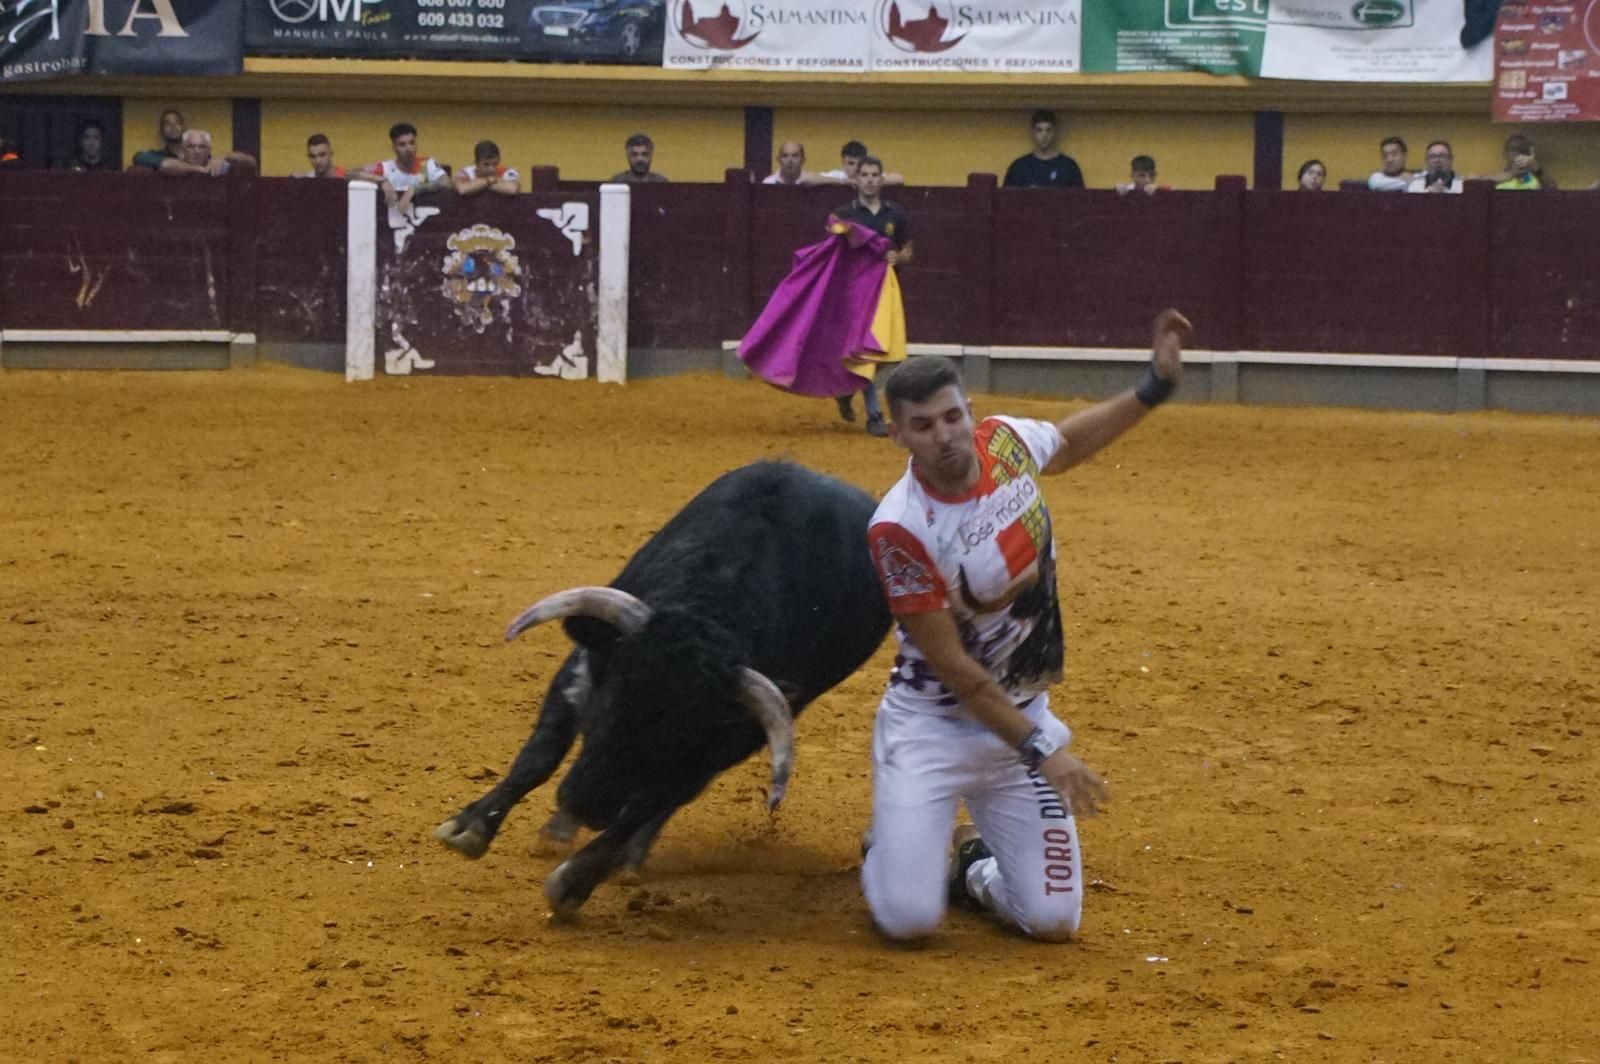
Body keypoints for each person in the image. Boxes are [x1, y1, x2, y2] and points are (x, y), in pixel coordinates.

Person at [860, 307, 1191, 943]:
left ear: (970, 411)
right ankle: (888, 847)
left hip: (1021, 717)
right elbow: (956, 668)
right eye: (923, 426)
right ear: (898, 436)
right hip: (931, 729)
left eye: (953, 417)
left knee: (1051, 921)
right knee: (908, 922)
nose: (946, 436)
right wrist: (1044, 750)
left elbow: (1066, 446)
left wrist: (1154, 388)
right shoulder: (900, 528)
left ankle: (969, 869)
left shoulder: (1005, 444)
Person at [827, 156, 913, 437]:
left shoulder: (895, 214)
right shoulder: (844, 214)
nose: (870, 179)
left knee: (884, 355)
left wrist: (896, 257)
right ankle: (874, 414)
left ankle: (846, 391)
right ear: (855, 179)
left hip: (886, 293)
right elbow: (831, 252)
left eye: (875, 174)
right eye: (864, 174)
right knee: (866, 351)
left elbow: (908, 251)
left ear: (882, 178)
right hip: (854, 291)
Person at [361, 122, 450, 212]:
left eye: (412, 143)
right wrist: (382, 181)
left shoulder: (426, 164)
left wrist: (415, 189)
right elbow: (350, 174)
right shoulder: (385, 167)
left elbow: (446, 182)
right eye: (402, 145)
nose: (409, 148)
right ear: (394, 147)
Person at [1002, 110, 1084, 189]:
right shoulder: (1019, 168)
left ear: (1055, 132)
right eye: (1039, 130)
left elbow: (1080, 200)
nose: (1044, 135)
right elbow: (1005, 199)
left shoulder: (1068, 167)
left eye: (1048, 130)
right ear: (1033, 133)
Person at [157, 130, 256, 177]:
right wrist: (200, 169)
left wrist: (224, 156)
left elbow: (251, 162)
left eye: (202, 147)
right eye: (191, 147)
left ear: (209, 150)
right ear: (182, 150)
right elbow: (165, 165)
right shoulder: (177, 166)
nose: (197, 151)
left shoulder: (218, 166)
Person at [1482, 133, 1557, 190]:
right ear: (1505, 154)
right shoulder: (1498, 180)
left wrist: (1536, 168)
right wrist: (1510, 175)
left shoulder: (1537, 181)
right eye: (1514, 153)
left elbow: (1554, 194)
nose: (1518, 158)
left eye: (1522, 153)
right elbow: (1473, 182)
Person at [819, 140, 905, 187]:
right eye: (851, 163)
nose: (856, 168)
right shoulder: (838, 176)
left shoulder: (871, 175)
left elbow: (898, 179)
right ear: (843, 163)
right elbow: (807, 178)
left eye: (859, 163)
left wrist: (866, 182)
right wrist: (844, 182)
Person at [454, 140, 521, 197]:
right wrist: (488, 181)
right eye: (486, 164)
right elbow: (462, 189)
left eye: (495, 164)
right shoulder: (465, 173)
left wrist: (477, 186)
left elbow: (512, 189)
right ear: (476, 163)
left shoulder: (508, 172)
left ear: (499, 160)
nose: (491, 169)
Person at [762, 141, 830, 186]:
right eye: (785, 156)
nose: (790, 160)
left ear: (803, 160)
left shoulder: (813, 182)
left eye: (795, 156)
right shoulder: (768, 183)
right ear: (778, 160)